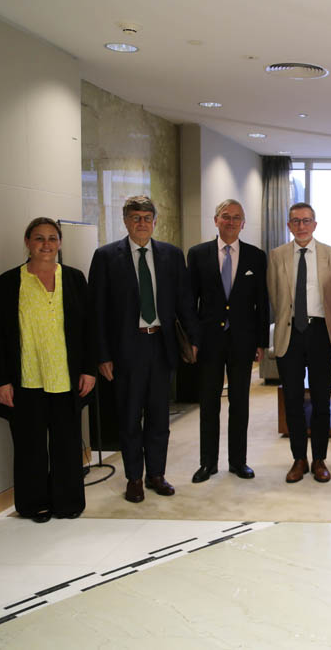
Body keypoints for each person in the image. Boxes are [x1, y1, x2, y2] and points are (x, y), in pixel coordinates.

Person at [0, 218, 96, 522]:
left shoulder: (74, 279)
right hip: (26, 380)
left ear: (60, 242)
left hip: (66, 378)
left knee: (67, 444)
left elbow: (89, 328)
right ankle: (33, 504)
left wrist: (89, 370)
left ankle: (68, 502)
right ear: (27, 242)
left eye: (52, 238)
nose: (46, 245)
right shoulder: (9, 282)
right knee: (29, 446)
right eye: (39, 238)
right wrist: (0, 380)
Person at [89, 195, 199, 503]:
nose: (141, 223)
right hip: (126, 349)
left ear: (155, 221)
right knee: (129, 417)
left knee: (159, 417)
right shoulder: (106, 257)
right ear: (125, 221)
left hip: (161, 345)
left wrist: (193, 338)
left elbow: (184, 301)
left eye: (147, 218)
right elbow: (97, 311)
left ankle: (156, 475)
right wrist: (102, 355)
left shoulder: (171, 255)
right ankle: (134, 478)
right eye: (135, 218)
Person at [186, 199, 269, 483]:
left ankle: (238, 462)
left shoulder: (256, 256)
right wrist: (193, 338)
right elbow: (190, 301)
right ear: (216, 220)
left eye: (236, 217)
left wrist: (261, 342)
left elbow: (262, 303)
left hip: (243, 341)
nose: (231, 222)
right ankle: (208, 463)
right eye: (225, 216)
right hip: (208, 342)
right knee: (209, 403)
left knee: (239, 403)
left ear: (243, 223)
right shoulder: (198, 254)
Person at [268, 203, 331, 484]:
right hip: (290, 334)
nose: (301, 226)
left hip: (321, 332)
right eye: (296, 221)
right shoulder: (277, 256)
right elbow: (274, 295)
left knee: (322, 401)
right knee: (293, 401)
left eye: (306, 220)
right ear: (289, 225)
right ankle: (299, 458)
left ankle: (319, 458)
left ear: (315, 224)